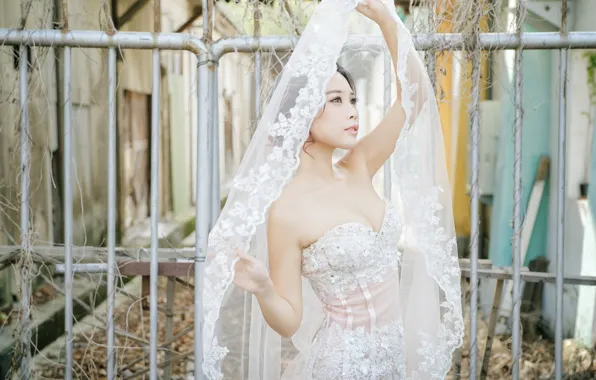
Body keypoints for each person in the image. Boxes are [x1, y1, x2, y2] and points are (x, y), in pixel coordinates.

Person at [201, 1, 464, 379]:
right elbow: (290, 321)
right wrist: (263, 289)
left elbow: (415, 97)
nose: (352, 111)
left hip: (394, 362)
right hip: (340, 367)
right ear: (303, 112)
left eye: (353, 99)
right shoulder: (286, 212)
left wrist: (387, 20)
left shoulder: (358, 165)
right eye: (336, 101)